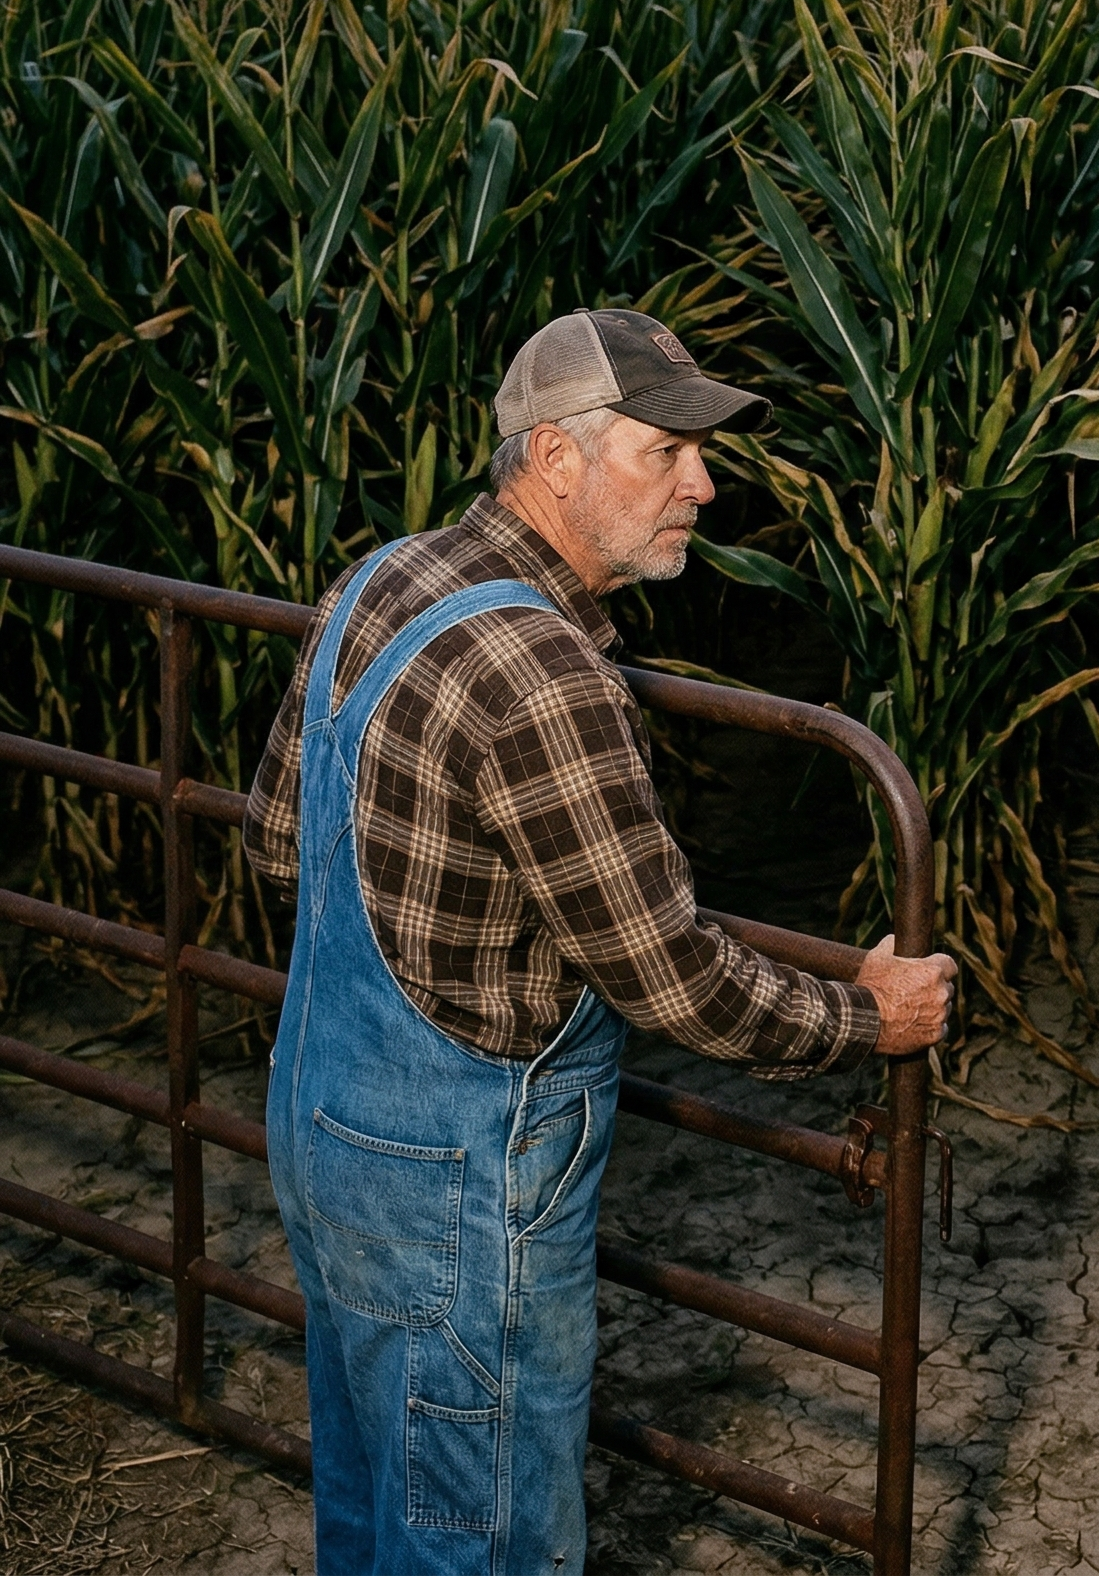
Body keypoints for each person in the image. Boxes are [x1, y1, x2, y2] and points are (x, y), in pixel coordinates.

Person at [245, 307, 956, 1576]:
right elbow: (675, 979)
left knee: (370, 1507)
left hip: (327, 1126)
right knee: (484, 1535)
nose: (704, 479)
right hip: (464, 1188)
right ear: (554, 459)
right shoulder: (549, 672)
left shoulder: (382, 576)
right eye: (663, 449)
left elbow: (272, 841)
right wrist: (870, 1015)